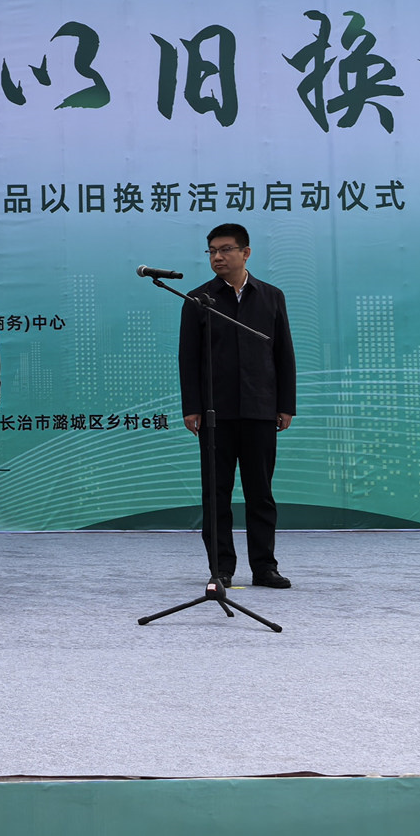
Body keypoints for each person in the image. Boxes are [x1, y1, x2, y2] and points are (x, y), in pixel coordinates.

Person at [178, 223, 295, 590]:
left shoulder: (271, 296)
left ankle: (265, 567)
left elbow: (283, 353)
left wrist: (285, 404)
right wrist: (192, 407)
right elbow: (188, 359)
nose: (218, 257)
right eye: (212, 251)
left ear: (246, 253)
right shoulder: (197, 299)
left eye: (225, 249)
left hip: (261, 409)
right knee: (217, 495)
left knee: (261, 493)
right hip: (216, 414)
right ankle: (221, 568)